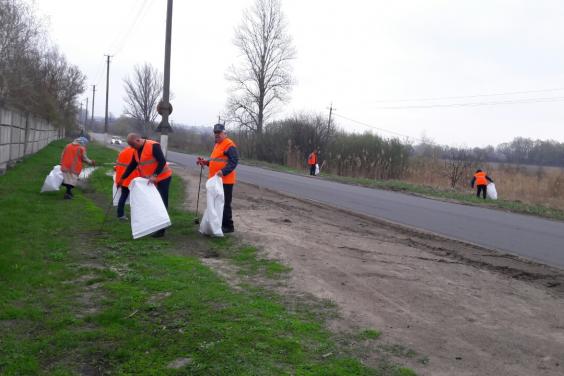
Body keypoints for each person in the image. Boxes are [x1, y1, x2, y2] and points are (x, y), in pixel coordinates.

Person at [119, 133, 173, 237]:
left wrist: (154, 175)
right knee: (152, 202)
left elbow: (162, 161)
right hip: (150, 180)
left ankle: (162, 229)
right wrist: (123, 177)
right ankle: (155, 223)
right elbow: (132, 165)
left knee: (161, 201)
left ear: (138, 140)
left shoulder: (153, 145)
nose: (132, 147)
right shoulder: (136, 150)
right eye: (131, 146)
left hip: (163, 177)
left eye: (133, 145)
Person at [197, 123, 239, 234]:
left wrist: (223, 172)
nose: (216, 135)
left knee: (224, 203)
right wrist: (205, 162)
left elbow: (234, 161)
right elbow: (215, 161)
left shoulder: (229, 145)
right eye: (215, 133)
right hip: (215, 180)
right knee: (215, 203)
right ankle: (217, 224)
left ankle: (228, 226)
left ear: (225, 133)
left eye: (219, 133)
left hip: (225, 180)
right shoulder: (217, 145)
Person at [114, 146, 138, 221]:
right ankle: (136, 215)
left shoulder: (122, 152)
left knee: (123, 196)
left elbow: (117, 166)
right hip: (133, 178)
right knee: (136, 198)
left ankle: (120, 214)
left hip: (122, 178)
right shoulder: (137, 152)